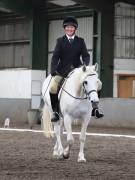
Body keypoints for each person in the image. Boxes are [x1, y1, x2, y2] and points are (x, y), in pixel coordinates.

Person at [49, 16, 104, 122]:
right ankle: (55, 112)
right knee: (52, 87)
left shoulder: (80, 41)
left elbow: (86, 55)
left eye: (71, 27)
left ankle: (95, 109)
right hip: (62, 71)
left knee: (99, 84)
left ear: (75, 28)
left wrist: (85, 64)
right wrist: (53, 70)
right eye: (67, 27)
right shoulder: (60, 41)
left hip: (78, 70)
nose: (69, 29)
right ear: (65, 28)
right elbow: (55, 57)